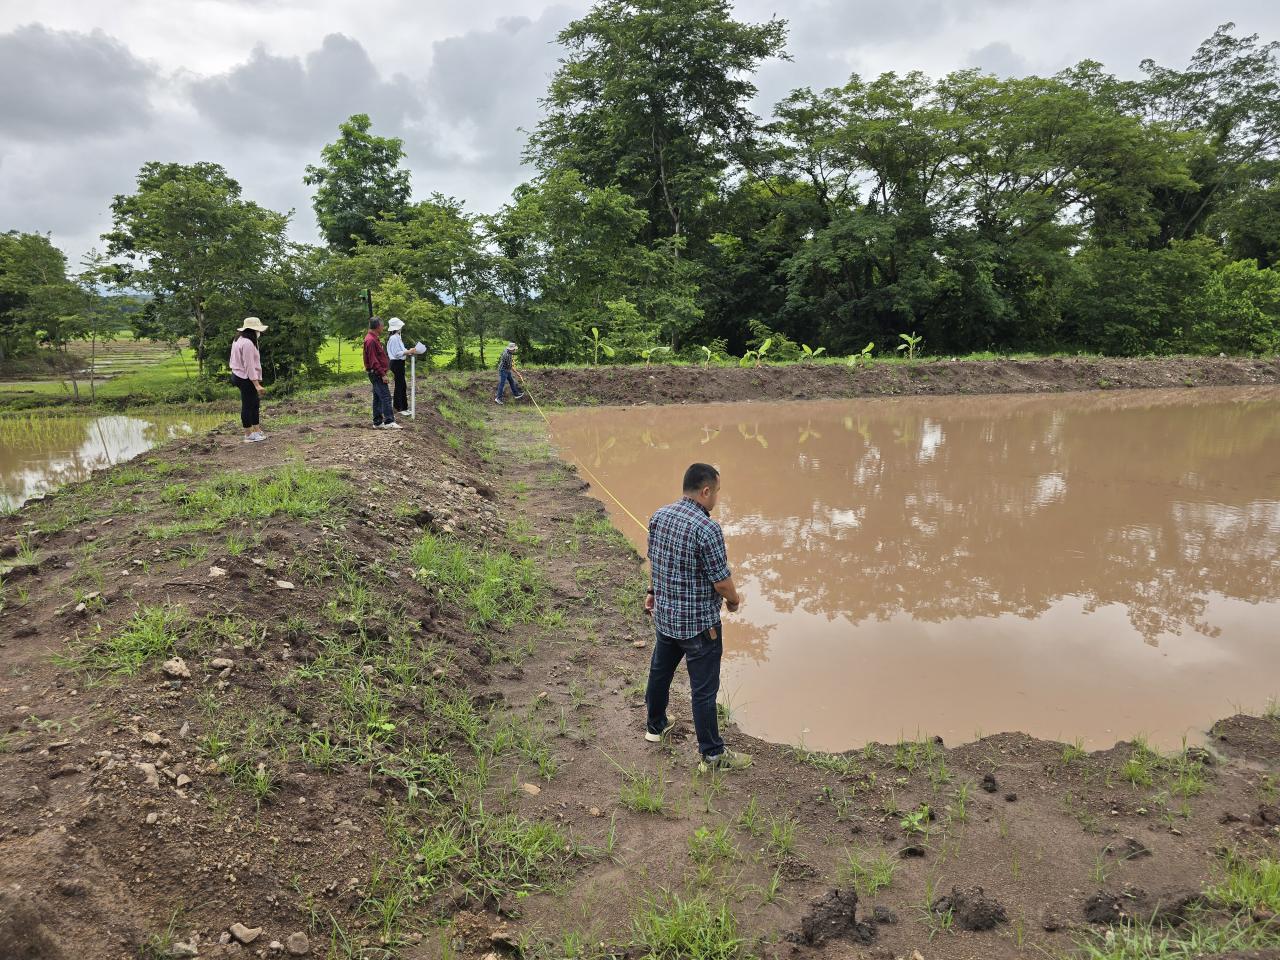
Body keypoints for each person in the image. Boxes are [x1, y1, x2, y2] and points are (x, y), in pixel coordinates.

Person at [643, 462, 752, 772]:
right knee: (704, 690)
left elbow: (656, 561)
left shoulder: (660, 516)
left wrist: (652, 590)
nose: (716, 498)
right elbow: (721, 581)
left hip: (665, 618)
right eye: (716, 492)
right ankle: (713, 755)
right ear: (706, 491)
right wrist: (733, 600)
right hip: (699, 627)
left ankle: (656, 726)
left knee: (660, 672)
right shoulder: (707, 528)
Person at [229, 317, 268, 443]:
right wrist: (257, 385)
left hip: (239, 375)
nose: (259, 332)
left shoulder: (239, 339)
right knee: (248, 406)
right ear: (252, 330)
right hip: (245, 378)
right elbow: (249, 366)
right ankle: (248, 434)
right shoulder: (247, 344)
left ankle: (256, 430)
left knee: (255, 403)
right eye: (258, 330)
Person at [363, 316, 401, 430]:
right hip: (376, 373)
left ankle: (378, 422)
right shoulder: (371, 340)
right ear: (378, 326)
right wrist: (383, 374)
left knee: (378, 398)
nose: (383, 328)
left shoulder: (373, 339)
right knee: (385, 397)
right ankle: (389, 421)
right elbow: (374, 360)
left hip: (376, 372)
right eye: (383, 326)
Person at [386, 317, 410, 414]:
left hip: (399, 363)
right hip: (397, 363)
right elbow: (397, 353)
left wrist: (409, 351)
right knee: (400, 385)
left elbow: (402, 350)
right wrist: (408, 351)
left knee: (401, 385)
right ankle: (400, 407)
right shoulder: (394, 338)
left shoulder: (397, 337)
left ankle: (400, 406)